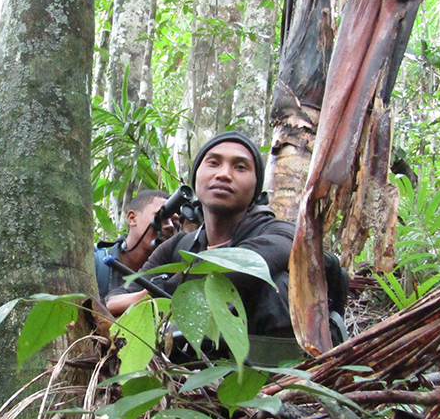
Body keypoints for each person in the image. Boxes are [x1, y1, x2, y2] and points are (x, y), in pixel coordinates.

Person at [106, 131, 299, 359]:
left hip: (268, 378)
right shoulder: (180, 245)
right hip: (185, 379)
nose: (224, 174)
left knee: (277, 284)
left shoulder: (282, 233)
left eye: (240, 167)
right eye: (213, 163)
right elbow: (115, 297)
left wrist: (158, 291)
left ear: (257, 187)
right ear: (196, 176)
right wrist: (142, 296)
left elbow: (241, 268)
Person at [94, 190, 177, 299]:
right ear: (132, 218)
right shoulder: (95, 264)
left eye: (175, 223)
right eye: (161, 217)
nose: (170, 226)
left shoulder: (173, 275)